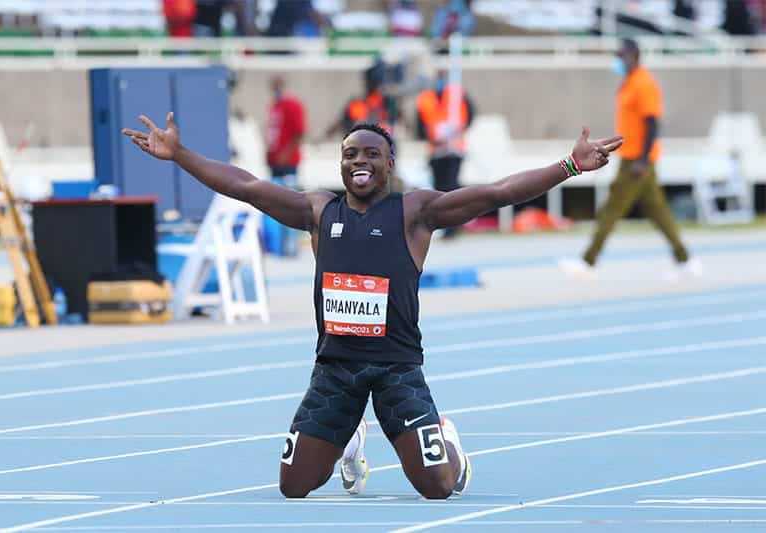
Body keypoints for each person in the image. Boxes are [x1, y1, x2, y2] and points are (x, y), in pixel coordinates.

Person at [123, 113, 622, 499]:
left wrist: (571, 165)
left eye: (371, 154)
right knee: (293, 487)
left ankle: (447, 441)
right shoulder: (318, 211)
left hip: (396, 371)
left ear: (390, 164)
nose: (358, 162)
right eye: (349, 154)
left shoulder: (415, 213)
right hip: (335, 370)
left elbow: (496, 192)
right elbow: (246, 186)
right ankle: (351, 440)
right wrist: (181, 154)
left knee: (438, 488)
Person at [559, 38, 700, 280]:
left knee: (611, 211)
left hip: (637, 160)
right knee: (659, 212)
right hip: (633, 158)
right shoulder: (630, 82)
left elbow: (652, 124)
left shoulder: (644, 84)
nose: (618, 60)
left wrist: (643, 160)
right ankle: (685, 259)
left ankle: (588, 261)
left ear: (634, 56)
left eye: (621, 55)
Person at [415, 69, 475, 238]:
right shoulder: (425, 99)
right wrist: (432, 138)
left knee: (452, 186)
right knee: (439, 189)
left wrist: (458, 130)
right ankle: (444, 223)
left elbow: (470, 115)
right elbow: (419, 127)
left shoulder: (457, 95)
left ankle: (453, 226)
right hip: (436, 150)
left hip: (454, 149)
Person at [265, 75, 306, 256]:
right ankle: (280, 247)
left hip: (288, 164)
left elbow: (299, 132)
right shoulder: (275, 106)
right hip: (275, 163)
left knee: (290, 204)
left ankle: (290, 247)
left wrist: (286, 154)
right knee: (275, 205)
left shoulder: (292, 105)